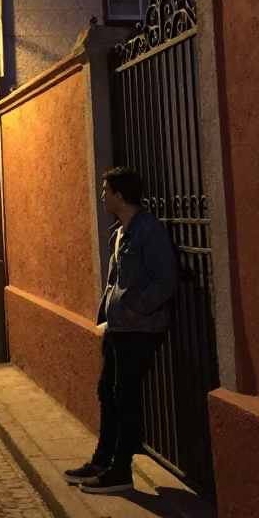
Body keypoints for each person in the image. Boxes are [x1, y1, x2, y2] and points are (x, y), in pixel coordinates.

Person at [65, 166, 179, 494]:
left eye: (105, 190)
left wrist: (135, 307)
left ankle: (121, 470)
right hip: (118, 328)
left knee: (125, 397)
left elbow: (165, 280)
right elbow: (114, 283)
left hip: (141, 328)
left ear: (119, 194)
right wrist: (108, 317)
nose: (101, 195)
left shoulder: (149, 231)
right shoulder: (118, 233)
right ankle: (102, 459)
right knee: (107, 391)